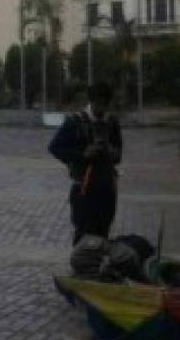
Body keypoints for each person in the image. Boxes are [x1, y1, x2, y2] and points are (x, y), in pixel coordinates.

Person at [48, 82, 123, 244]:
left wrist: (112, 152)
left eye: (105, 105)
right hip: (83, 188)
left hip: (107, 188)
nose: (102, 109)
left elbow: (118, 156)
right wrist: (82, 154)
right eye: (99, 104)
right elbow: (54, 147)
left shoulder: (112, 122)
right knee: (83, 232)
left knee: (103, 232)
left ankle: (98, 264)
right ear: (91, 101)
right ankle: (82, 264)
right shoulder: (74, 122)